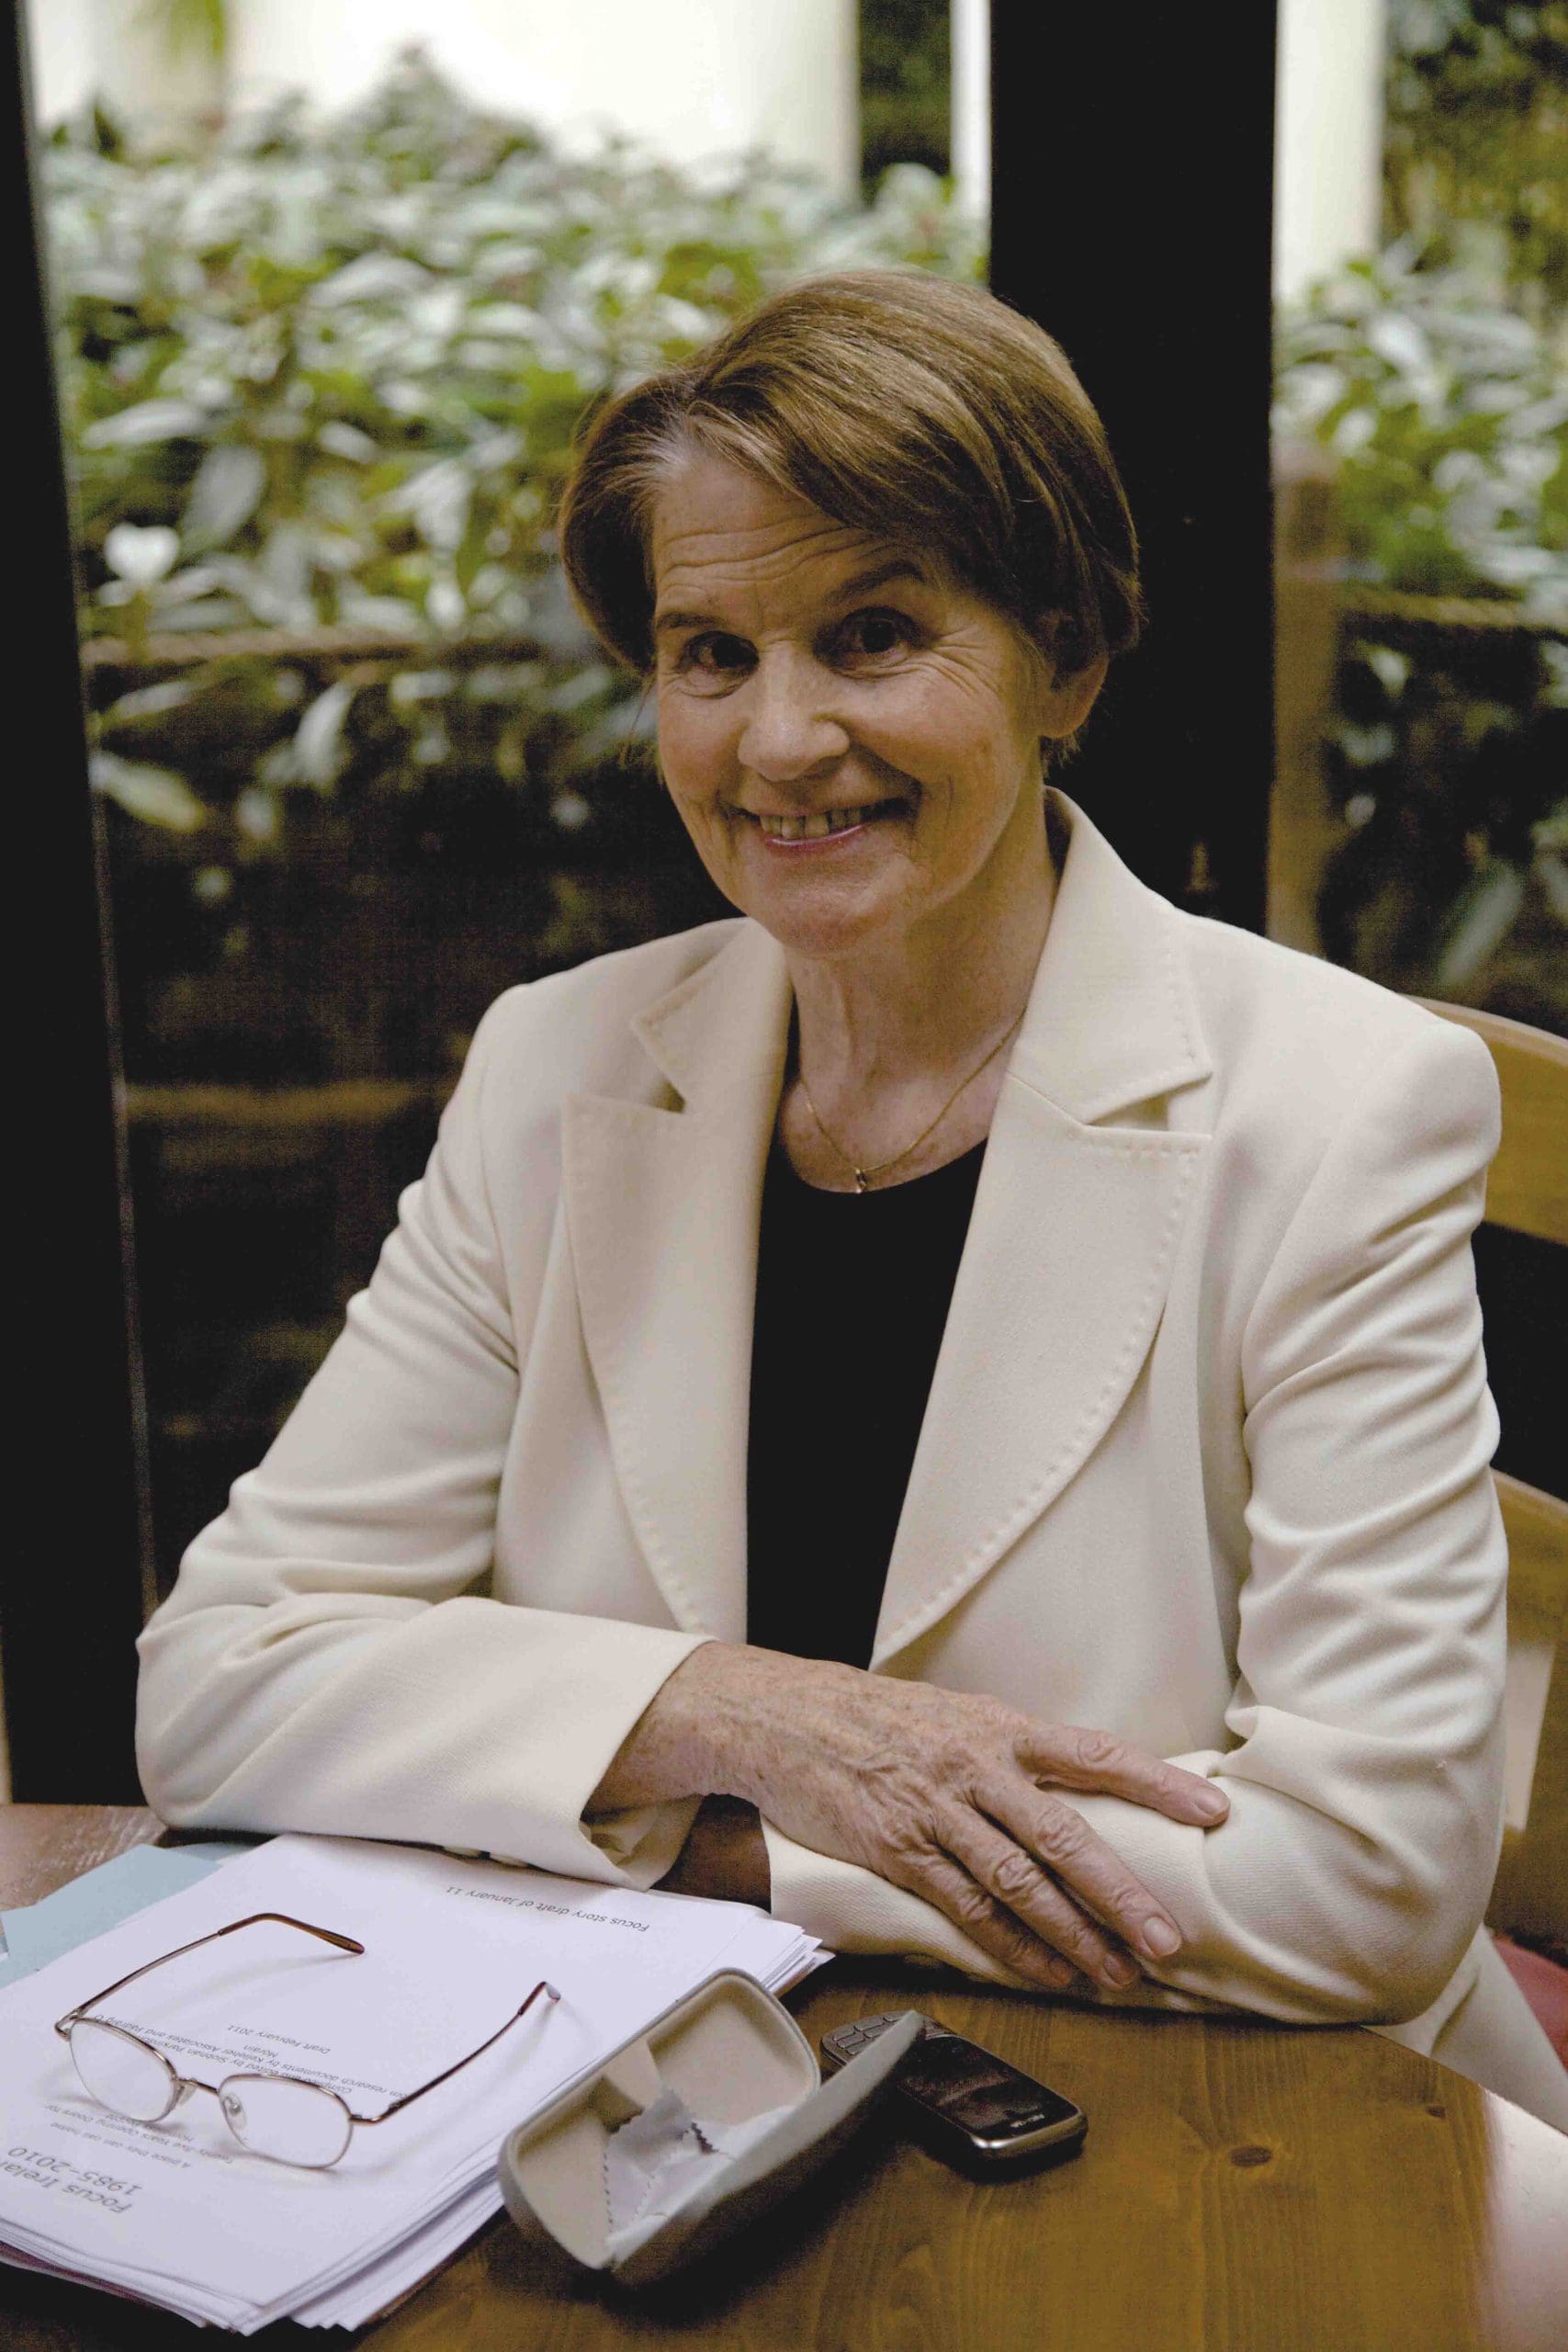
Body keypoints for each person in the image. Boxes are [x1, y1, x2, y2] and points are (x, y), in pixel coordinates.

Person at [135, 269, 1568, 2132]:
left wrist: (736, 1844)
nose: (778, 740)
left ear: (1066, 664)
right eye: (709, 652)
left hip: (1252, 2143)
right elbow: (222, 1681)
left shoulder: (1341, 1104)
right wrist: (732, 1714)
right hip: (683, 2112)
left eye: (872, 635)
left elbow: (1363, 1882)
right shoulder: (557, 1066)